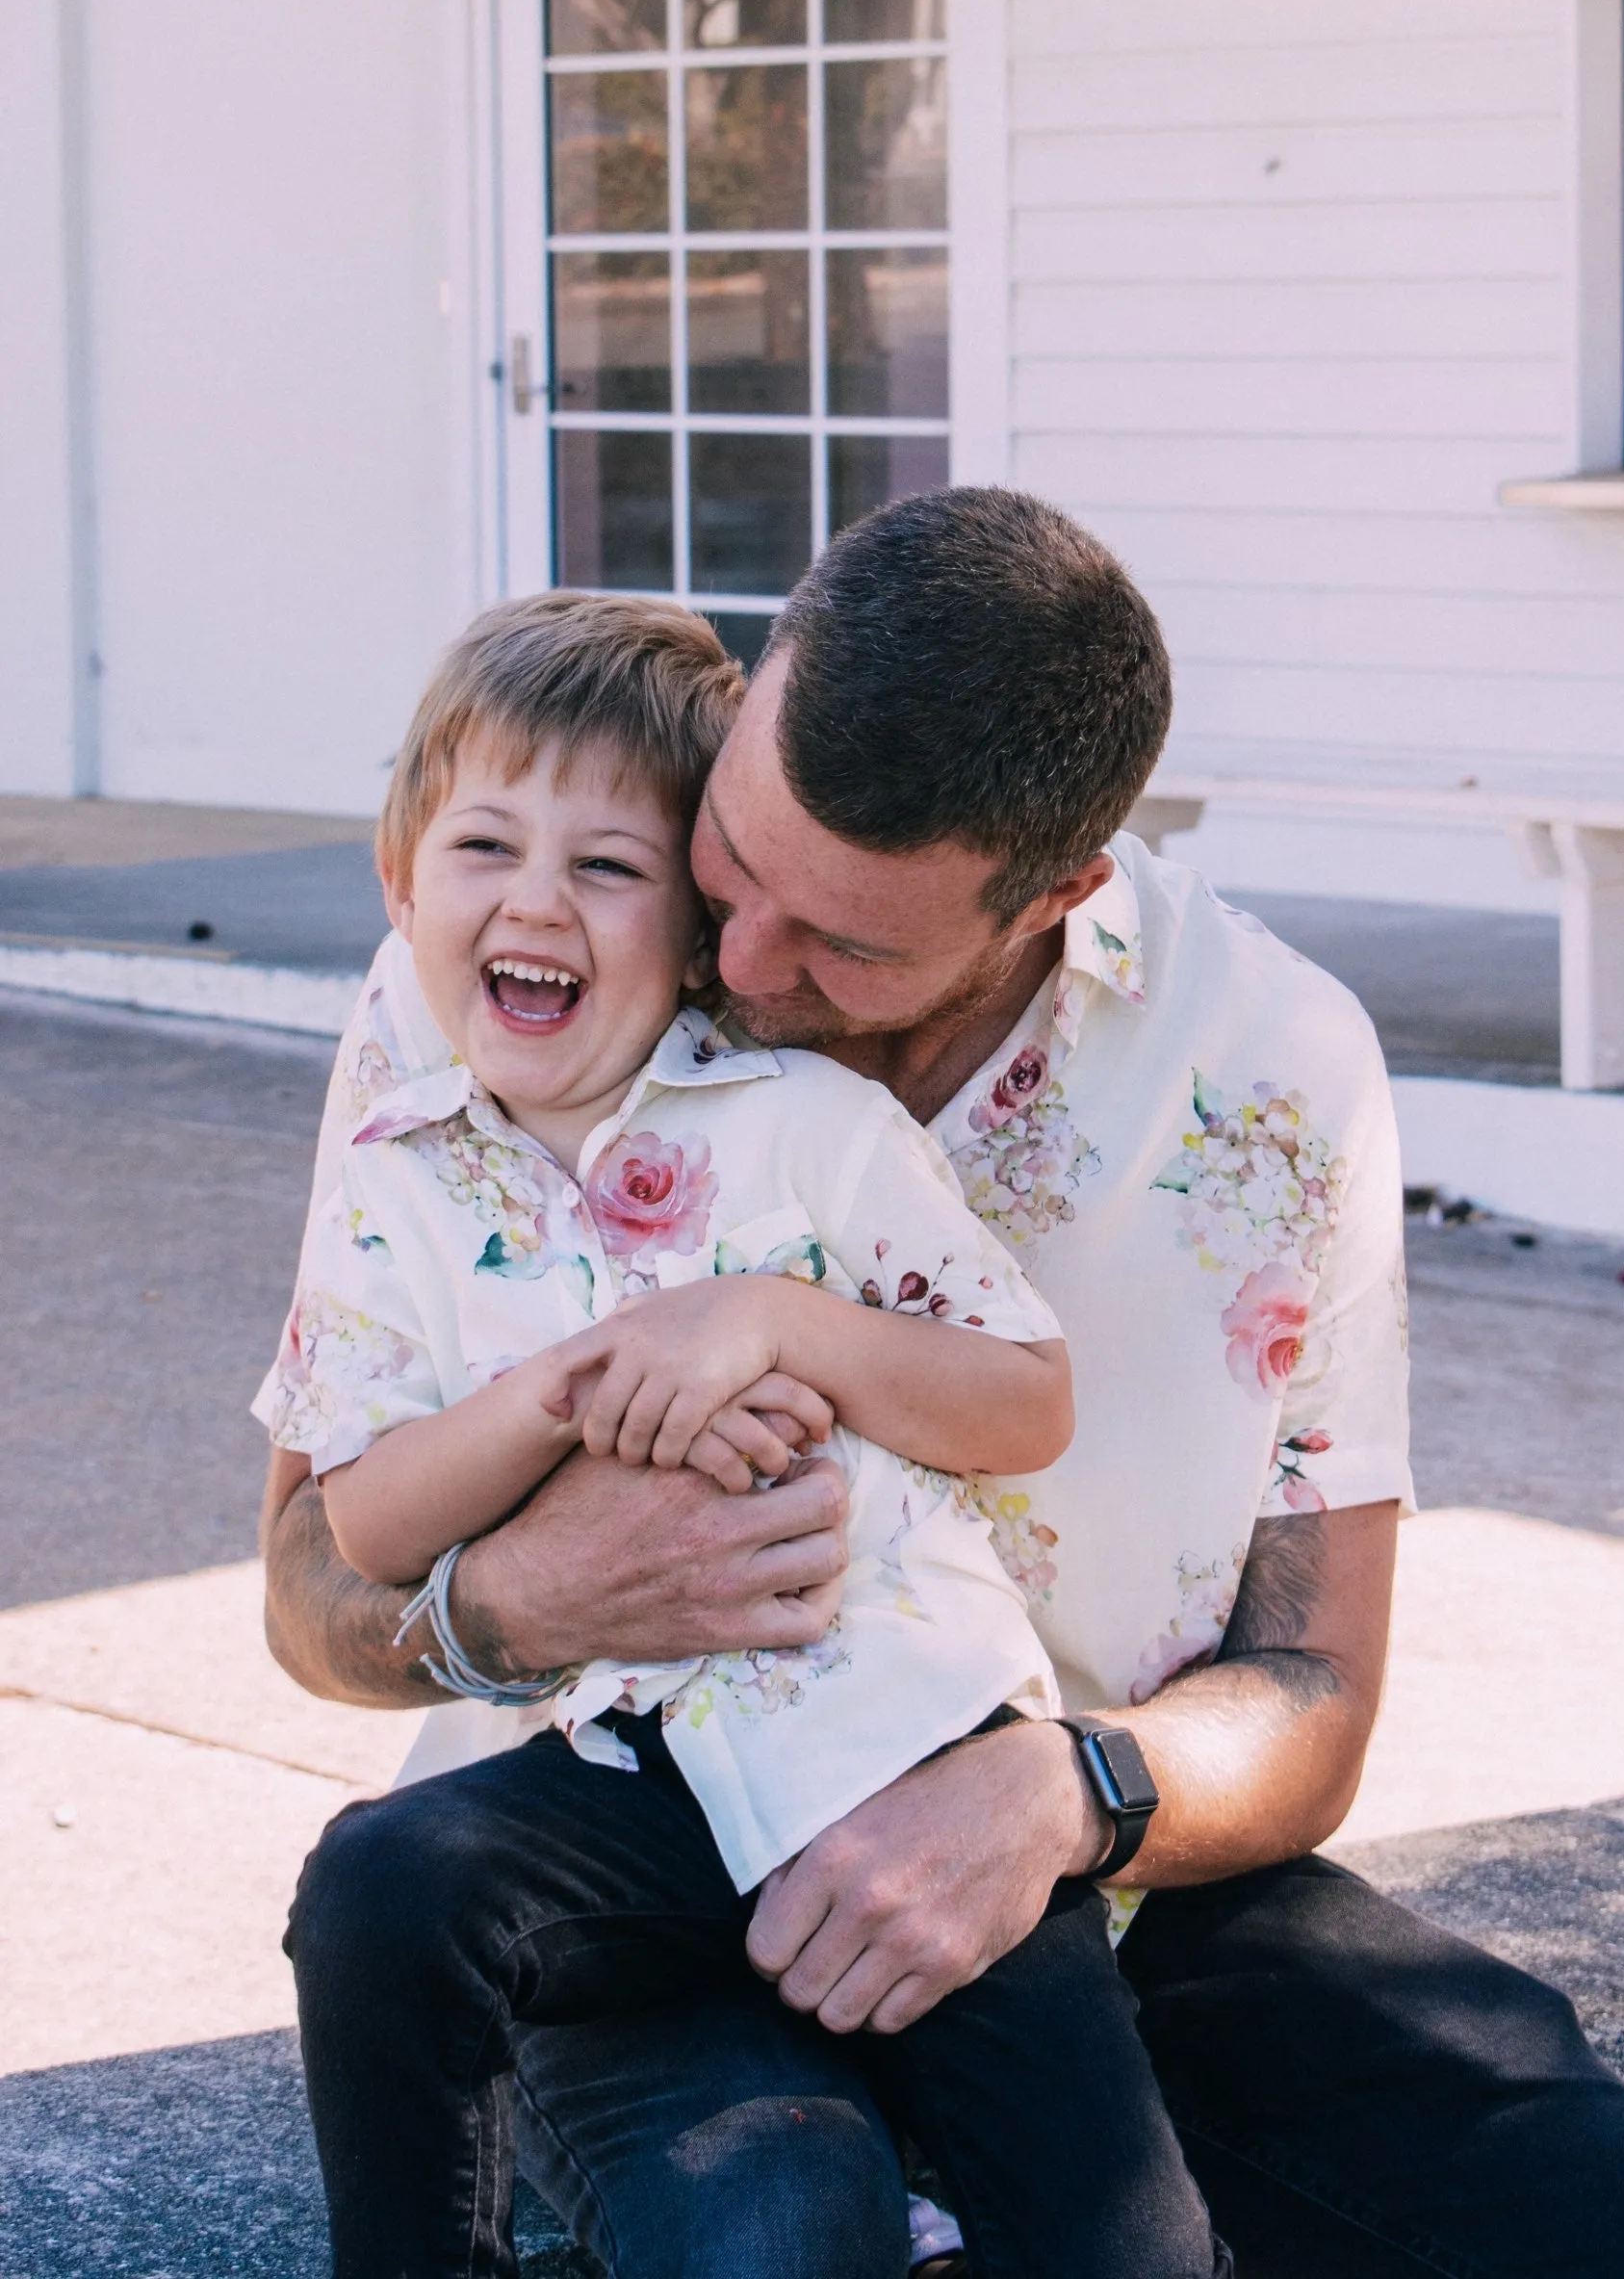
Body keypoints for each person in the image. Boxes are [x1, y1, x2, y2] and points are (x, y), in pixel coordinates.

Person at [263, 491, 1624, 2279]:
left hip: (1090, 1902)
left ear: (1057, 895)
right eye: (735, 863)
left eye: (852, 944)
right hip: (623, 1856)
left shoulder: (1273, 1076)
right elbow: (309, 1583)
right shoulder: (539, 952)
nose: (754, 970)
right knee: (778, 2236)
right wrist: (520, 1592)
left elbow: (1316, 1691)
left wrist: (1053, 1798)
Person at [266, 589, 1224, 2279]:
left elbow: (1025, 1397)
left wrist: (793, 1331)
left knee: (1120, 2243)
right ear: (400, 886)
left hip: (906, 1750)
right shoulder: (395, 1179)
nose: (536, 901)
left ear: (698, 928)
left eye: (610, 869)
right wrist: (557, 1394)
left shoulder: (806, 1127)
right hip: (644, 1778)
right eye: (485, 845)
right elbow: (360, 1522)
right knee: (378, 1888)